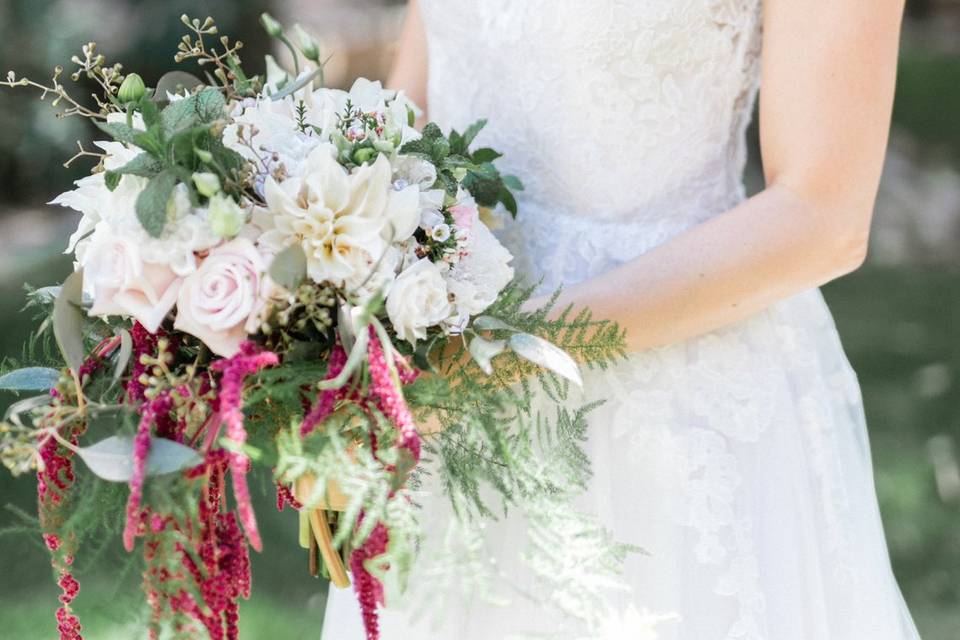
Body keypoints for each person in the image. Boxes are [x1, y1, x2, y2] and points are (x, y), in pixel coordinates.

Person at [324, 1, 922, 638]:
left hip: (672, 400)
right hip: (438, 379)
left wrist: (501, 354)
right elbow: (405, 117)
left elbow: (821, 219)